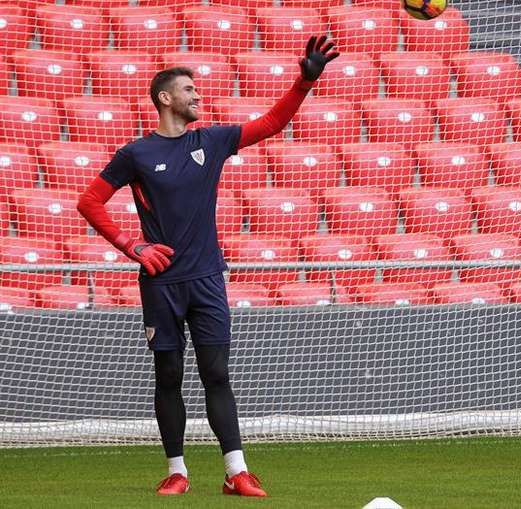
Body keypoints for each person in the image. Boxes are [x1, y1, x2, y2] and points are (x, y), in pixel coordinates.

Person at [77, 35, 339, 496]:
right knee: (169, 377)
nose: (197, 96)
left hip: (207, 280)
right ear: (165, 98)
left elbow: (273, 122)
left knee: (217, 372)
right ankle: (177, 471)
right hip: (160, 283)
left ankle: (236, 472)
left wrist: (304, 83)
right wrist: (131, 246)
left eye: (197, 90)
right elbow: (90, 201)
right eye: (188, 90)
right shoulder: (136, 154)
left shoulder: (212, 140)